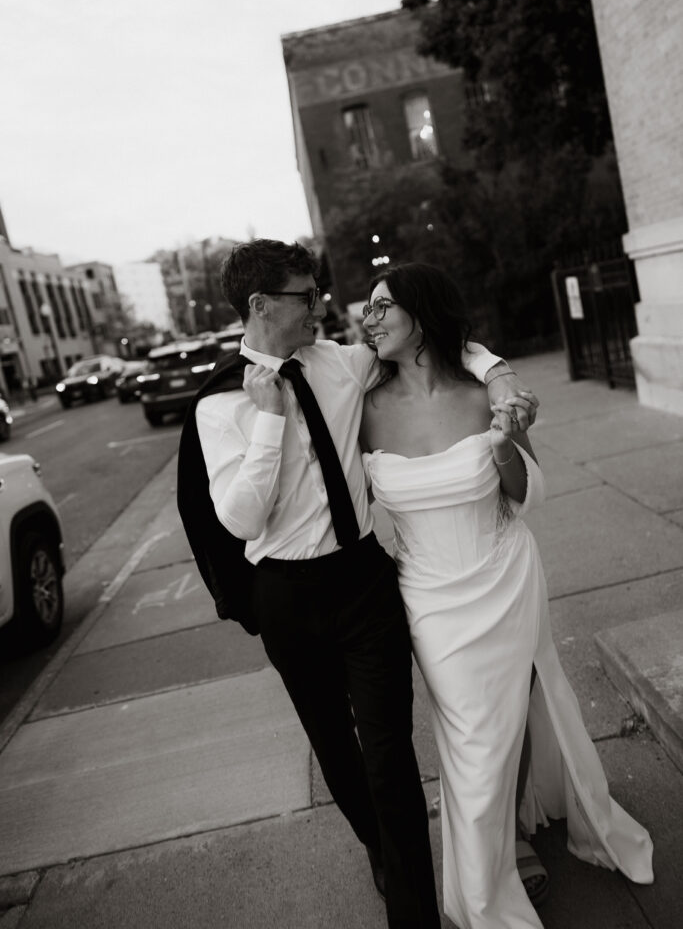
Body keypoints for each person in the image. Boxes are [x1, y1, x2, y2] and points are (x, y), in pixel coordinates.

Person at [177, 239, 538, 929]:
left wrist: (497, 377)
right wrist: (270, 423)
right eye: (304, 296)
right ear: (260, 306)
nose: (319, 306)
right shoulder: (218, 406)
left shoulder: (343, 364)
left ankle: (413, 911)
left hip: (363, 581)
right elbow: (240, 520)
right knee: (336, 752)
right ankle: (377, 845)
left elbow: (437, 342)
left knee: (388, 754)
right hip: (283, 591)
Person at [359, 262, 654, 929]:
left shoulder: (481, 396)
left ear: (421, 314)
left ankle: (515, 834)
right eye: (366, 310)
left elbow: (529, 496)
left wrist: (500, 447)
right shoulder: (363, 404)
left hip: (503, 572)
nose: (368, 320)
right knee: (472, 735)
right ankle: (484, 884)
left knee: (516, 711)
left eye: (382, 307)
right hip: (428, 595)